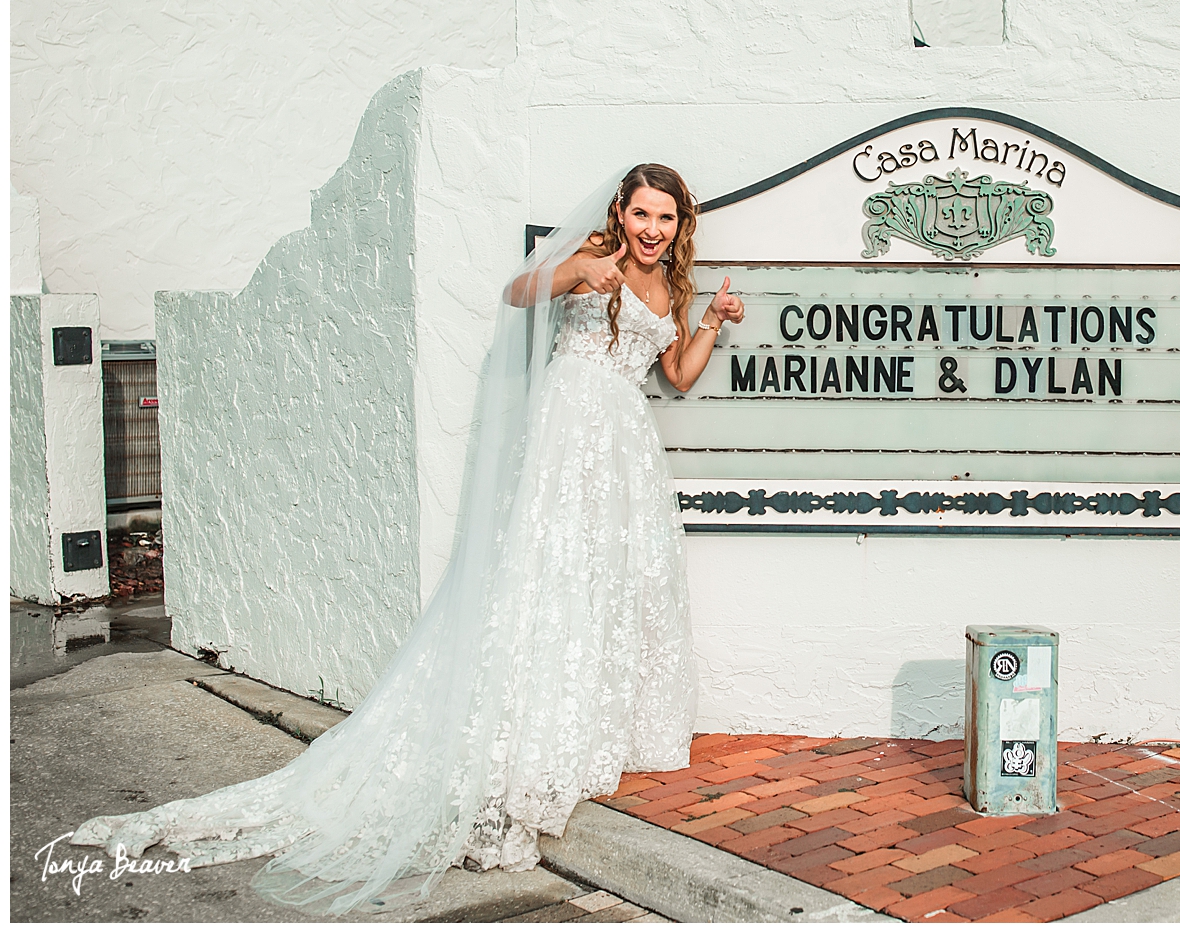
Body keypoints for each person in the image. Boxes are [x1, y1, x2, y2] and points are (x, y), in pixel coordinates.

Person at [70, 163, 745, 911]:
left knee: (609, 584)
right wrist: (574, 269)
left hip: (624, 442)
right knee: (546, 578)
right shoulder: (592, 260)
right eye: (642, 214)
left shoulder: (670, 288)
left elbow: (678, 373)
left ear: (682, 225)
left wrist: (712, 319)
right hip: (572, 428)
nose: (652, 230)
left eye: (666, 219)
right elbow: (517, 292)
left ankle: (599, 725)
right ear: (620, 210)